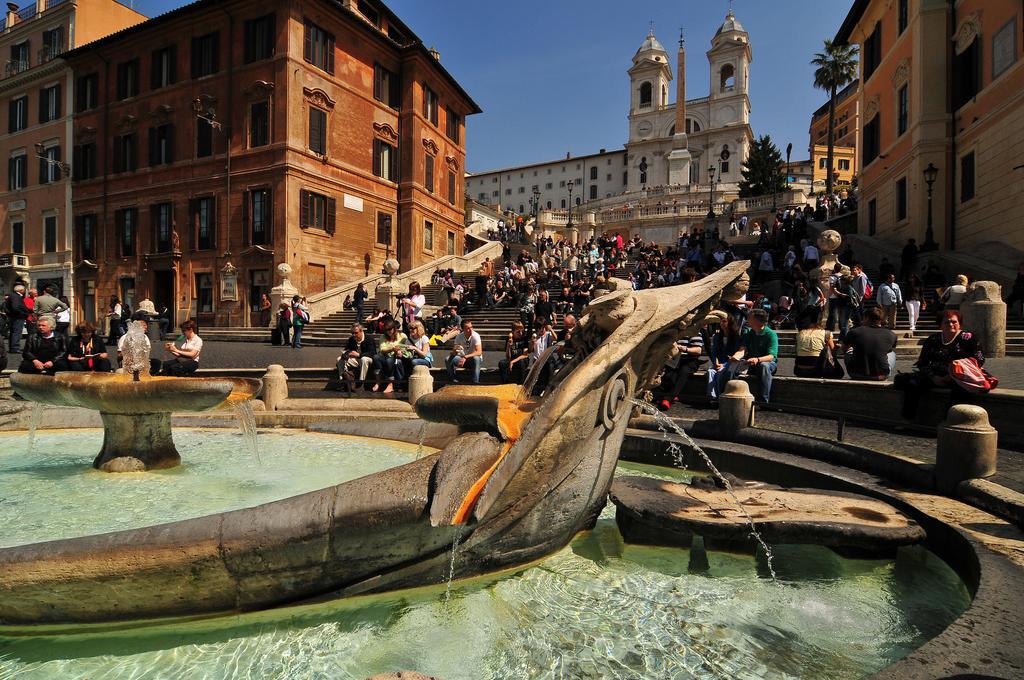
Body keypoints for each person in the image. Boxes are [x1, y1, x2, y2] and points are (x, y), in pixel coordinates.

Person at [898, 311, 985, 418]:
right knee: (912, 384)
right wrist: (933, 377)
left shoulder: (969, 338)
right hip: (935, 375)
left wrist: (951, 376)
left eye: (954, 322)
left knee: (961, 391)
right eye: (946, 322)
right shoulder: (933, 339)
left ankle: (949, 420)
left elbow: (979, 359)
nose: (951, 325)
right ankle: (907, 418)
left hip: (959, 376)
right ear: (940, 325)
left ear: (959, 323)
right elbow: (923, 362)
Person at [717, 309, 778, 403]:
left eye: (749, 318)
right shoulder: (749, 333)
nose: (747, 320)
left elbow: (771, 356)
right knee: (732, 366)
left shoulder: (771, 334)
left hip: (767, 363)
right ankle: (726, 395)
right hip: (750, 363)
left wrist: (757, 359)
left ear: (756, 320)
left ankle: (763, 400)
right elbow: (743, 349)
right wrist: (736, 357)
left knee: (764, 366)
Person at [843, 307, 897, 380]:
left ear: (866, 318)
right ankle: (884, 372)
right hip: (881, 375)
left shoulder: (854, 332)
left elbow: (844, 348)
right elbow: (889, 349)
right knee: (892, 353)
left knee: (848, 352)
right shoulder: (891, 334)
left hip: (855, 373)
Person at [793, 309, 841, 378]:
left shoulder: (799, 334)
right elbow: (833, 351)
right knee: (827, 349)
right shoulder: (826, 333)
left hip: (800, 370)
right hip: (817, 370)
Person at [371, 320, 408, 394]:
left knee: (389, 361)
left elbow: (406, 347)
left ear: (394, 328)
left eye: (390, 329)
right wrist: (392, 348)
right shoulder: (383, 337)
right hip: (385, 356)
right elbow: (382, 349)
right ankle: (378, 381)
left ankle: (390, 384)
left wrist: (400, 351)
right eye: (386, 330)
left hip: (396, 357)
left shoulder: (402, 336)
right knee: (376, 357)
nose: (388, 332)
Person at [446, 320, 483, 384]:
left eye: (471, 327)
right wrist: (455, 351)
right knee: (447, 359)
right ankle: (453, 379)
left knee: (476, 358)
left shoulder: (476, 335)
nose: (471, 329)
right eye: (468, 328)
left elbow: (479, 352)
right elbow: (455, 351)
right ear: (463, 329)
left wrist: (465, 357)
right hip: (462, 359)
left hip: (472, 360)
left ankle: (475, 382)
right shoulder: (459, 336)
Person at [5, 284, 31, 353]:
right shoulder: (16, 296)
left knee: (13, 333)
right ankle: (15, 348)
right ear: (21, 290)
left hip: (14, 316)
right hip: (18, 317)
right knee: (16, 333)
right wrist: (24, 313)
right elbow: (15, 307)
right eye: (24, 290)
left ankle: (13, 347)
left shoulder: (13, 296)